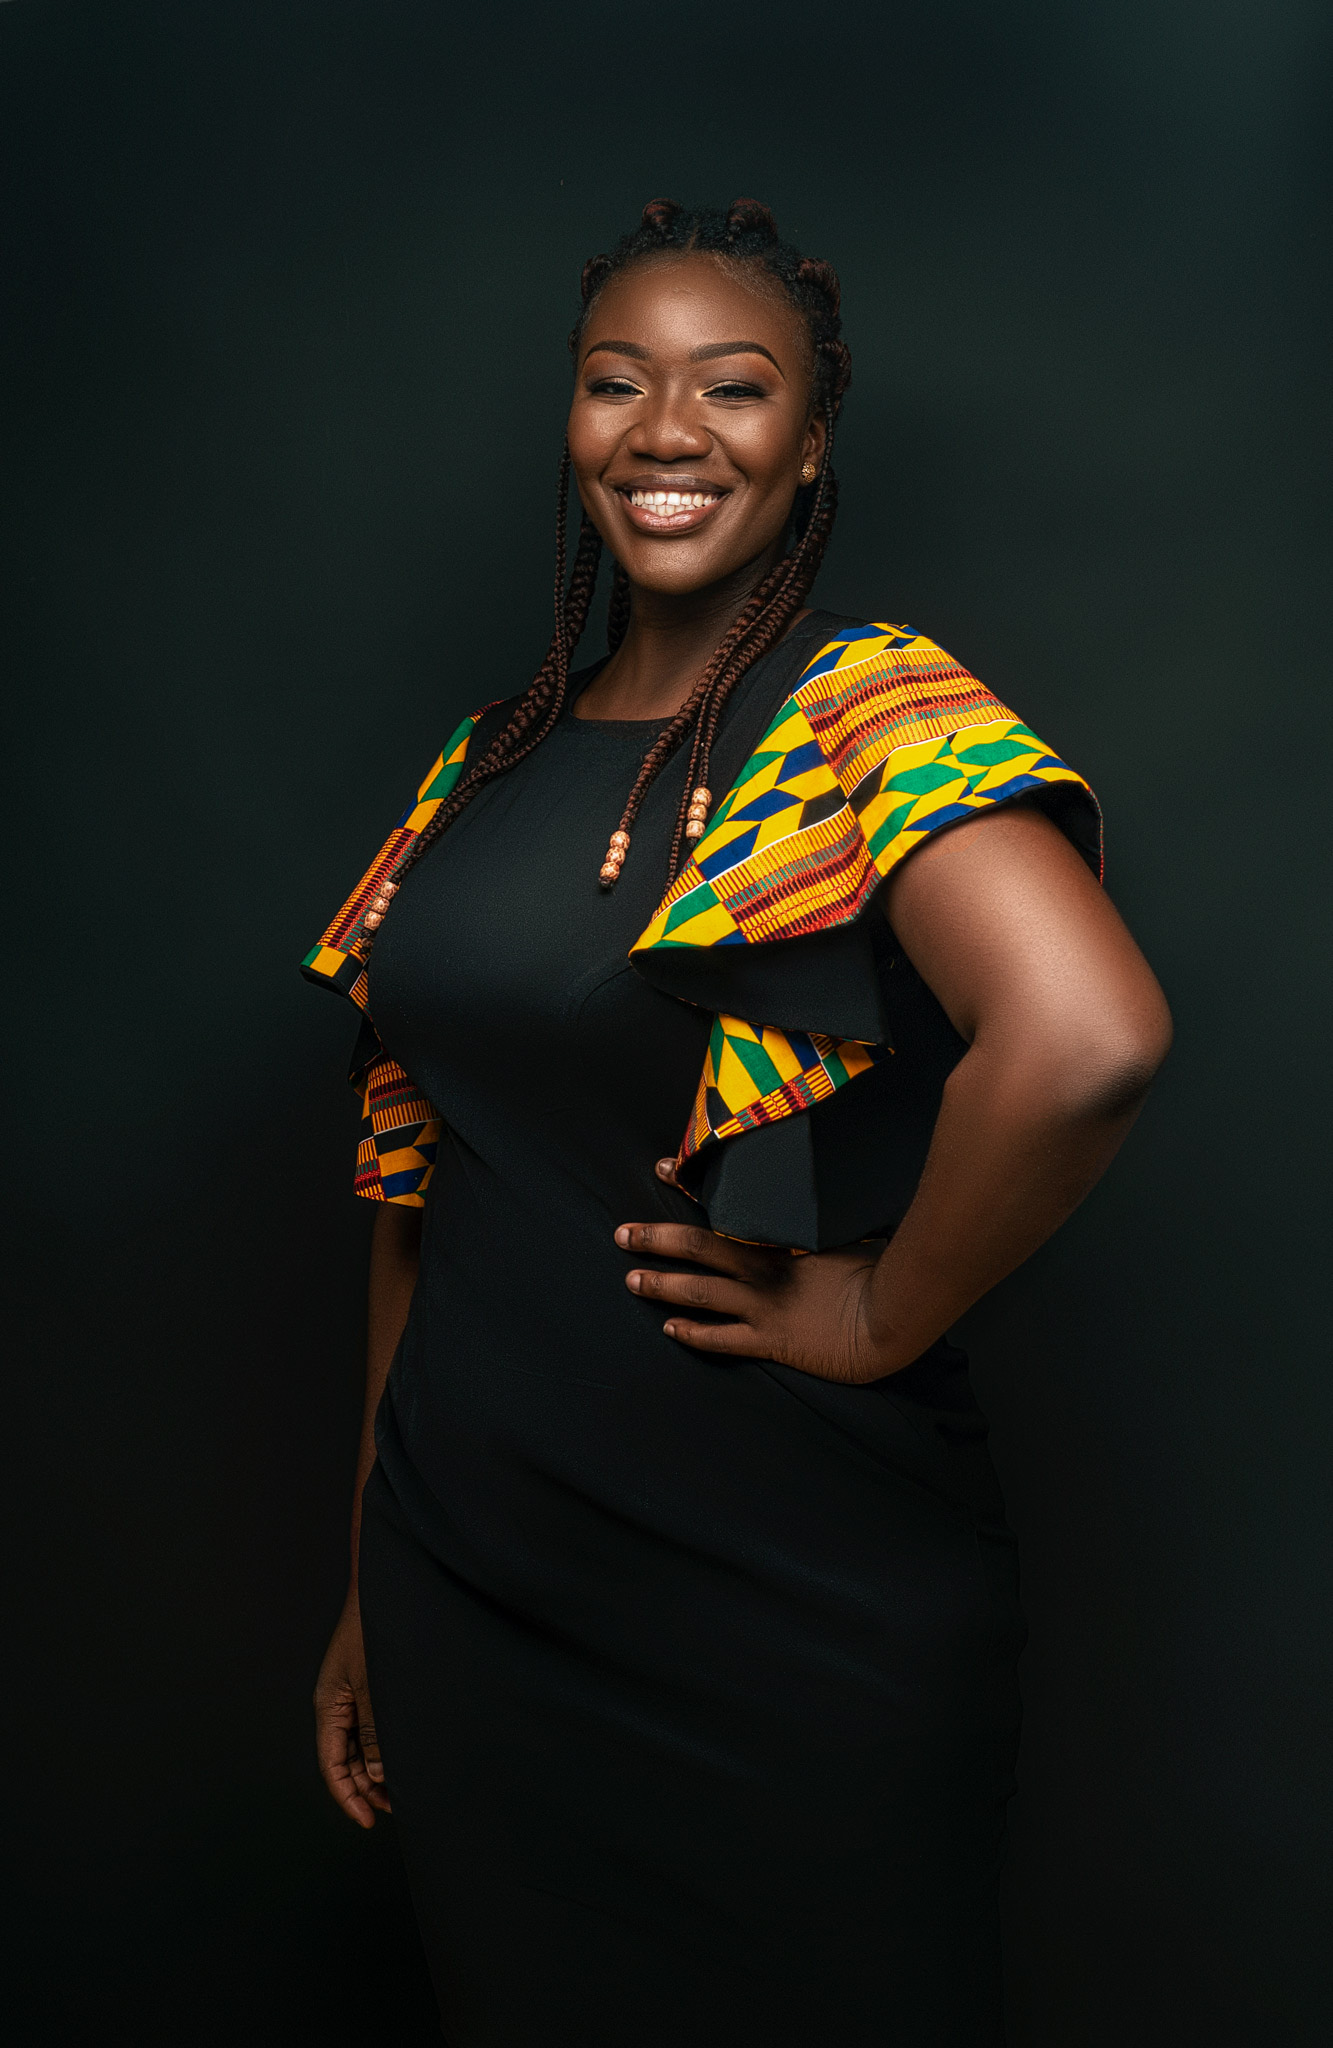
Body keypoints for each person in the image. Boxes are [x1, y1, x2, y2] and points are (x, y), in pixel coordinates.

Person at [305, 197, 1171, 2046]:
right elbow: (417, 1183)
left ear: (811, 439)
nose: (667, 431)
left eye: (734, 385)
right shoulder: (489, 760)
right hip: (475, 1590)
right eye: (617, 381)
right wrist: (373, 1573)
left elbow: (1085, 1038)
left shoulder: (863, 710)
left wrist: (873, 1311)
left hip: (784, 1602)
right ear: (571, 417)